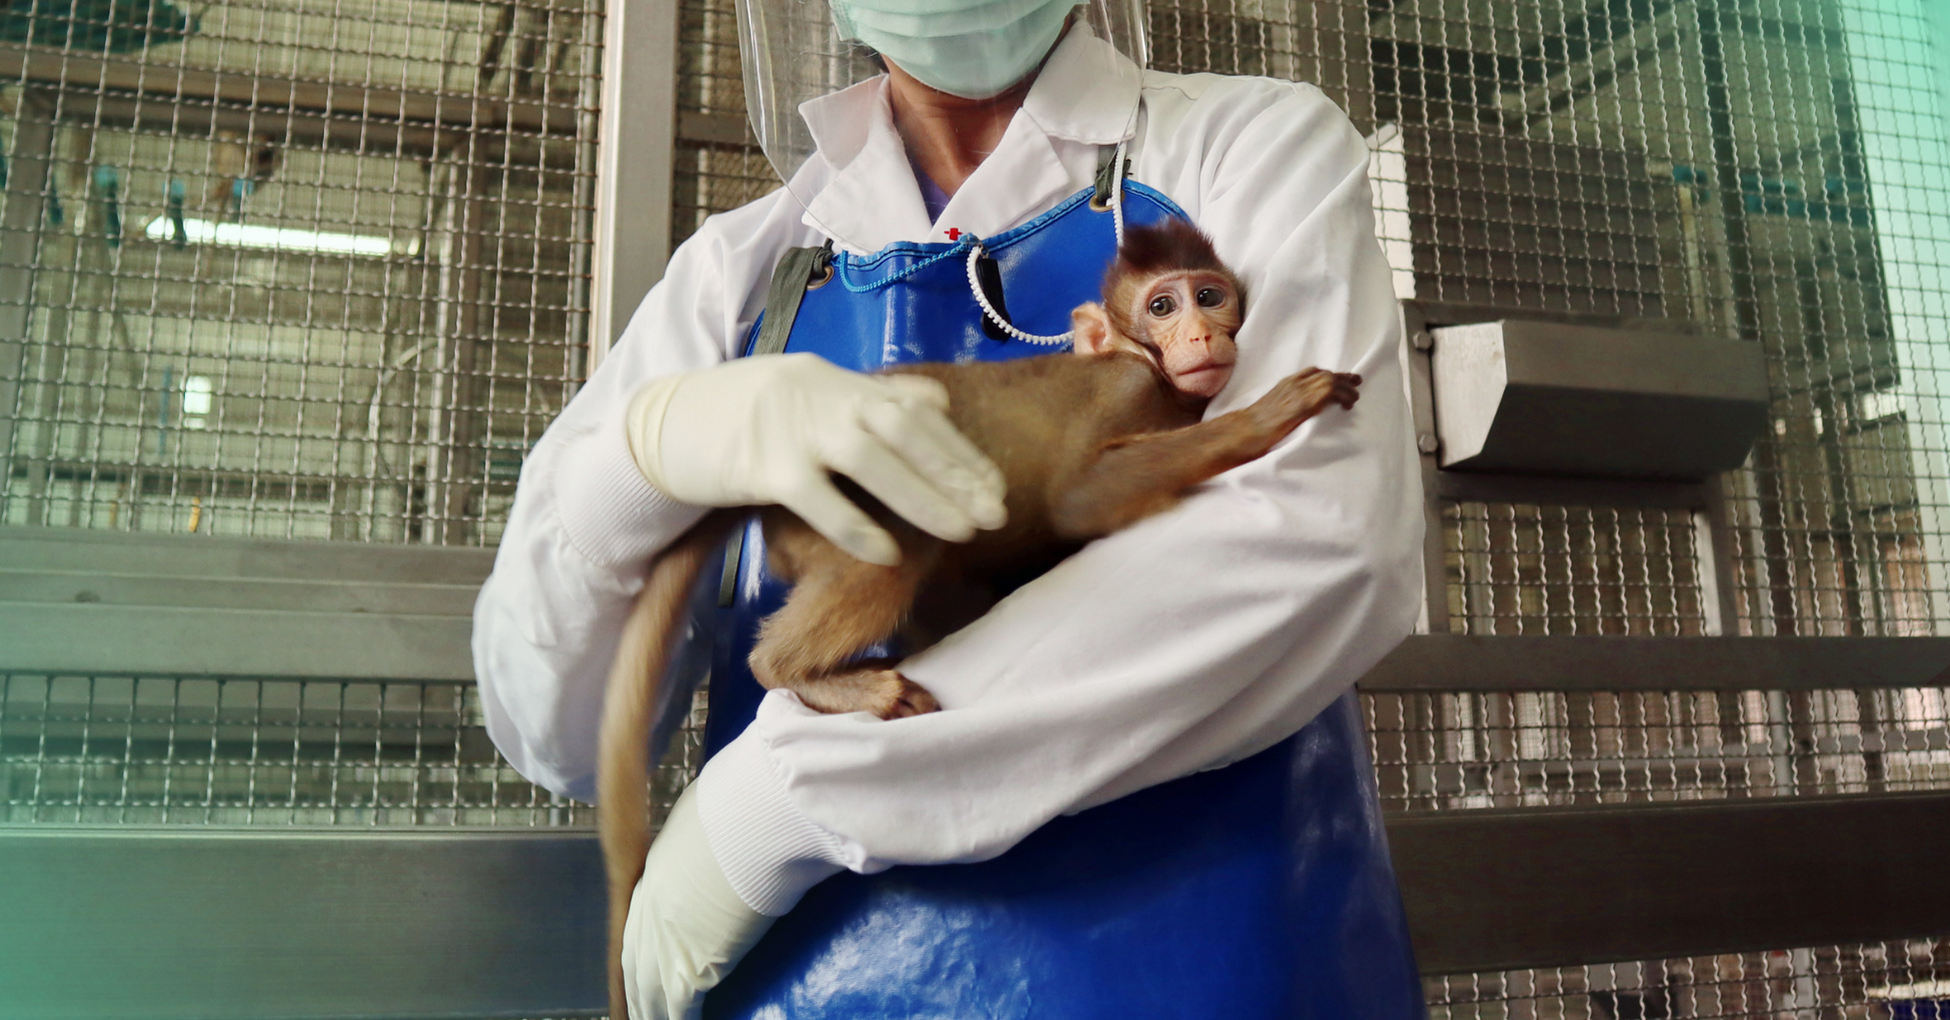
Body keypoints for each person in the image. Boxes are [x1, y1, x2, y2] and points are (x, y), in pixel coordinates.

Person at [472, 0, 1425, 1015]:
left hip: (1212, 973)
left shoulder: (1244, 148)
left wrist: (780, 801)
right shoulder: (742, 274)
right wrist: (634, 464)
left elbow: (1313, 542)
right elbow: (558, 736)